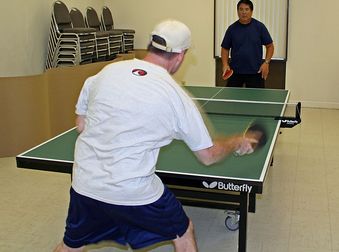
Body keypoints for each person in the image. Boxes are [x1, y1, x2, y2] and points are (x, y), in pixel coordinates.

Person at [54, 19, 262, 252]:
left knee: (71, 246)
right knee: (184, 233)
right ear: (181, 55)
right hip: (134, 190)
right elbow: (208, 155)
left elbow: (81, 125)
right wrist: (236, 141)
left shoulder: (104, 73)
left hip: (85, 183)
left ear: (150, 44)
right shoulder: (175, 96)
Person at [221, 0, 274, 88]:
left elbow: (270, 46)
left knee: (257, 100)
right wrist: (225, 64)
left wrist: (266, 63)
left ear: (251, 11)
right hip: (235, 72)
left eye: (247, 9)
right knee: (231, 100)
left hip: (256, 72)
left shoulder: (259, 27)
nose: (244, 12)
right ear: (237, 11)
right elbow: (225, 48)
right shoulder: (232, 29)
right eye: (241, 9)